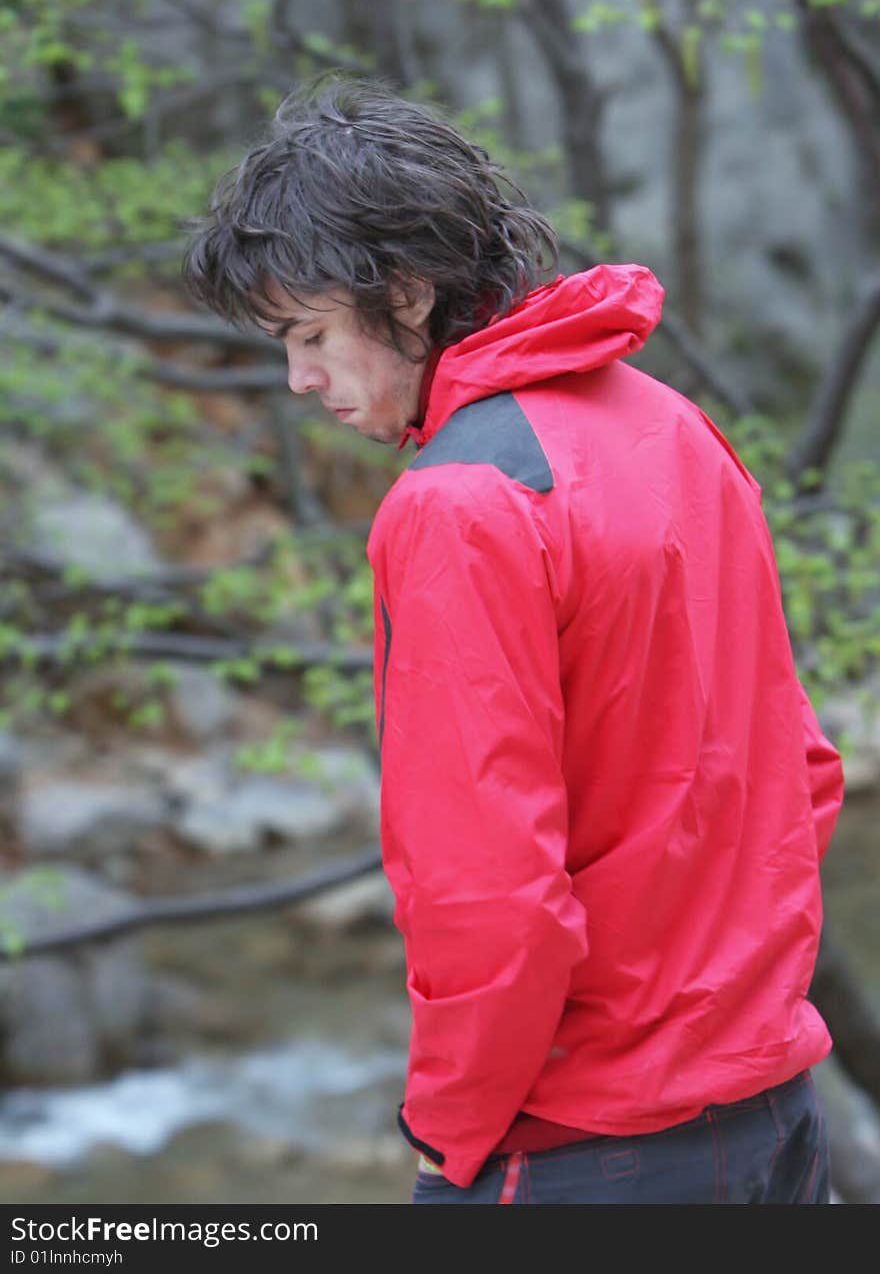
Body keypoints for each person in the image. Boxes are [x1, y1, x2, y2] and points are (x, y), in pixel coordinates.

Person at [183, 77, 845, 1204]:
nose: (297, 378)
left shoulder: (459, 503)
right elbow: (802, 770)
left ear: (404, 292)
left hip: (586, 1146)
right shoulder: (671, 423)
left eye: (309, 335)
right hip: (770, 1113)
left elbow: (489, 891)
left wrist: (454, 1128)